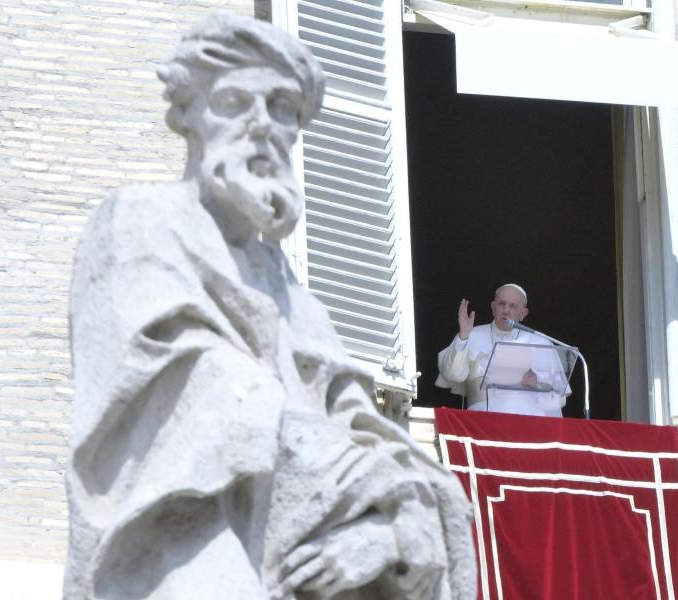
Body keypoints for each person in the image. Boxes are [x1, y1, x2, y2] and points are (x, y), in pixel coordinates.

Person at [64, 12, 474, 600]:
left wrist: (394, 534)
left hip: (302, 539)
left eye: (282, 108)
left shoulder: (290, 289)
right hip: (191, 533)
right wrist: (365, 486)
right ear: (188, 114)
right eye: (235, 101)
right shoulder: (138, 221)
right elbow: (196, 390)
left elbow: (358, 417)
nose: (262, 126)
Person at [435, 284, 570, 417]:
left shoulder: (541, 342)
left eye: (512, 306)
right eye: (501, 304)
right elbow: (452, 375)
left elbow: (559, 398)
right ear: (493, 308)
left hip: (530, 423)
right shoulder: (472, 335)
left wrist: (538, 382)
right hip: (482, 421)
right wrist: (463, 338)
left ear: (523, 313)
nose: (505, 310)